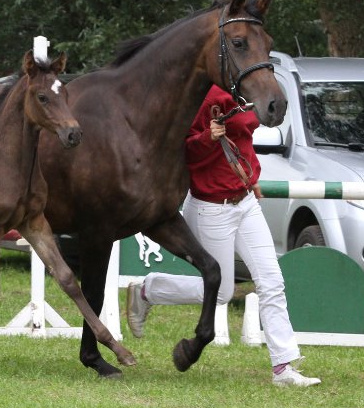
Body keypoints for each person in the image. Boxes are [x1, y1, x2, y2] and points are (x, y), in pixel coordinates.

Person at [125, 83, 321, 387]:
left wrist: (249, 176)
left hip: (244, 201)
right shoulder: (201, 95)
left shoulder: (245, 91)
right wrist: (206, 138)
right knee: (222, 292)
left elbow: (243, 138)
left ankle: (283, 367)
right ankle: (148, 290)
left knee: (272, 281)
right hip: (211, 207)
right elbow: (181, 150)